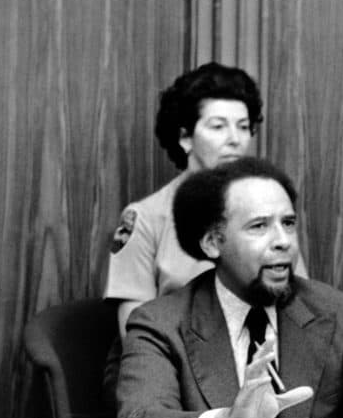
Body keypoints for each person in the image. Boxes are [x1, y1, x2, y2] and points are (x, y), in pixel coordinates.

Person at [116, 157, 343, 418]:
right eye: (259, 226)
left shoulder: (335, 311)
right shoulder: (159, 322)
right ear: (213, 243)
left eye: (288, 224)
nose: (283, 241)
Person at [105, 62, 307, 336]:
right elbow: (134, 330)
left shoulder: (270, 208)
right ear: (185, 137)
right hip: (166, 362)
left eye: (243, 126)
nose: (235, 139)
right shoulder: (145, 217)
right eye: (218, 127)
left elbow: (300, 304)